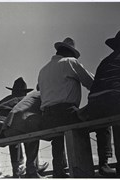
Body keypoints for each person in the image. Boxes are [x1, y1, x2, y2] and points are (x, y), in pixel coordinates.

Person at [38, 37, 94, 178]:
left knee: (58, 138)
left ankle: (59, 171)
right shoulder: (70, 62)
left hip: (47, 116)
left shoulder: (43, 70)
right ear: (70, 53)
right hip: (66, 112)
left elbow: (39, 89)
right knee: (91, 123)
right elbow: (91, 83)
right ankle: (85, 169)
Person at [82, 30, 120, 177]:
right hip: (115, 101)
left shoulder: (105, 61)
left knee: (107, 119)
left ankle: (104, 165)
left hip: (94, 103)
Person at [0, 77, 48, 178]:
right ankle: (31, 168)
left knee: (15, 138)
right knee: (30, 135)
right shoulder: (23, 100)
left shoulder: (6, 100)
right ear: (24, 92)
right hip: (0, 125)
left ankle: (19, 170)